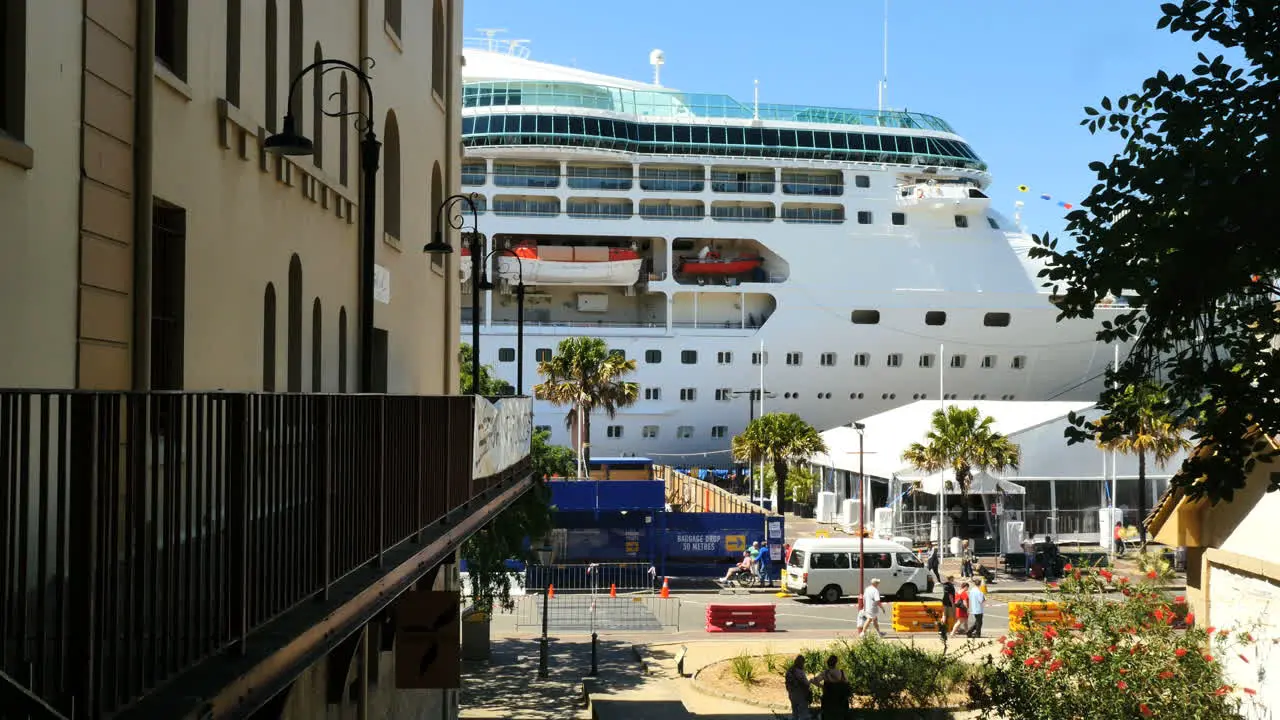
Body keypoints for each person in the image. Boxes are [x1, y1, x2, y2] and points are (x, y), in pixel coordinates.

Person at [815, 655, 850, 720]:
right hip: (841, 701)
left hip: (828, 701)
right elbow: (847, 683)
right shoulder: (842, 673)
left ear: (828, 663)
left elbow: (815, 680)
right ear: (836, 663)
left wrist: (822, 686)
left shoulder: (825, 673)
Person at [784, 654, 812, 720]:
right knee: (803, 715)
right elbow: (806, 684)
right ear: (802, 663)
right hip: (801, 695)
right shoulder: (800, 672)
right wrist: (810, 681)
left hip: (791, 694)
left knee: (795, 714)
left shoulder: (789, 671)